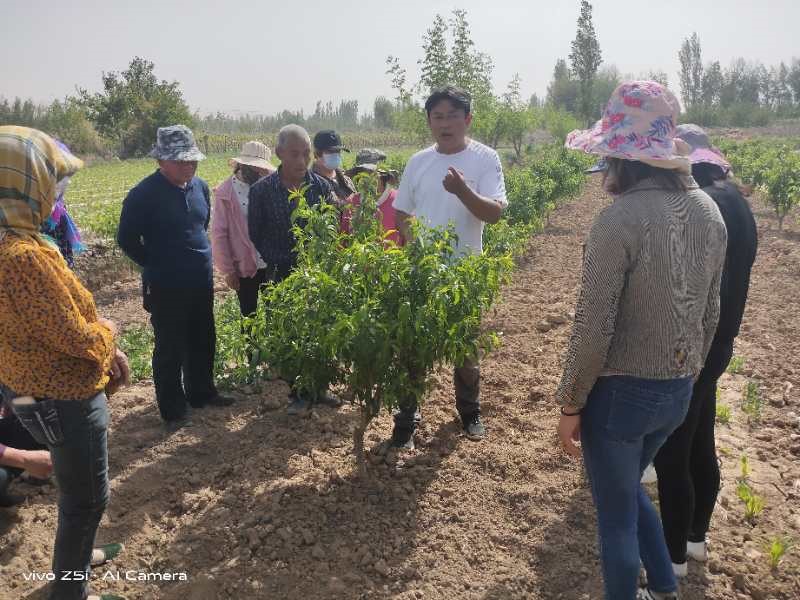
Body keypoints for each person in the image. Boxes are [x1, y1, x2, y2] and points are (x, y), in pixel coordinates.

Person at [554, 82, 728, 600]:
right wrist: (688, 375)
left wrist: (570, 402)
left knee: (614, 522)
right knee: (628, 489)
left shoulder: (617, 222)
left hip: (619, 398)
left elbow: (593, 328)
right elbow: (710, 312)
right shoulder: (710, 214)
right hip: (676, 392)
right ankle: (667, 587)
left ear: (622, 158)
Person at [0, 125, 129, 600]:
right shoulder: (22, 257)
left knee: (76, 494)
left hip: (33, 391)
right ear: (25, 183)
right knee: (86, 500)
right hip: (64, 399)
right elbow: (71, 335)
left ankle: (75, 561)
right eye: (51, 178)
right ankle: (70, 591)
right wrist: (110, 333)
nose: (57, 189)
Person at [653, 124, 758, 577]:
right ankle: (696, 538)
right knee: (701, 440)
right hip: (720, 340)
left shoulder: (704, 207)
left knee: (675, 451)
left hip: (691, 345)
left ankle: (671, 561)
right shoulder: (737, 201)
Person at [391, 85, 507, 448]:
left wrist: (462, 191)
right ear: (429, 121)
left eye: (452, 116)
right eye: (437, 117)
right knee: (412, 349)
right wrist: (414, 251)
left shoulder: (485, 159)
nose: (445, 124)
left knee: (465, 349)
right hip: (423, 272)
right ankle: (407, 418)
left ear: (467, 119)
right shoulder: (418, 161)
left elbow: (496, 212)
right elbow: (401, 212)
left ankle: (469, 412)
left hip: (464, 274)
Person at [117, 125, 234, 430]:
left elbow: (201, 223)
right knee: (170, 346)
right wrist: (156, 265)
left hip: (200, 280)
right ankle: (173, 409)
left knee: (202, 337)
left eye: (192, 160)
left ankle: (202, 393)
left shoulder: (200, 188)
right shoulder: (143, 195)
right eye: (181, 161)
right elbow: (126, 239)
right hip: (166, 285)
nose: (189, 166)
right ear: (161, 161)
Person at [247, 124, 340, 414]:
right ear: (279, 154)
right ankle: (298, 393)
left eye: (306, 154)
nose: (302, 161)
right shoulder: (262, 191)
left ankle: (321, 387)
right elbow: (256, 232)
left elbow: (332, 230)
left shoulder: (322, 188)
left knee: (321, 328)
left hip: (316, 272)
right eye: (294, 154)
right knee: (288, 333)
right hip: (280, 272)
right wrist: (277, 258)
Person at [211, 141, 276, 317]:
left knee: (277, 315)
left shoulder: (271, 184)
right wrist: (228, 270)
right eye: (256, 169)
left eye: (262, 170)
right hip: (245, 267)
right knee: (249, 316)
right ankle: (251, 346)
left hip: (271, 264)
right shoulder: (225, 193)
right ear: (242, 165)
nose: (260, 173)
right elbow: (219, 235)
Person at [342, 150, 403, 246]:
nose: (367, 178)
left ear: (382, 175)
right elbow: (343, 240)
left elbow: (410, 241)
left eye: (372, 173)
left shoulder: (399, 201)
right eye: (362, 174)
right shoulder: (352, 202)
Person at [311, 129, 357, 204]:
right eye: (331, 151)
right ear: (317, 154)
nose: (335, 155)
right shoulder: (311, 183)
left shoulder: (346, 180)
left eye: (338, 151)